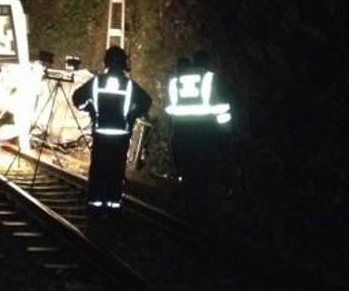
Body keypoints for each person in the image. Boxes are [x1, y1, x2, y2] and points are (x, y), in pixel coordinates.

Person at [72, 46, 151, 210]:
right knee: (116, 168)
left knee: (99, 167)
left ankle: (95, 202)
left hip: (101, 131)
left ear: (106, 61)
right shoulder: (129, 85)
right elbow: (146, 101)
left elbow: (77, 98)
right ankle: (113, 203)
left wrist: (91, 110)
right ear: (124, 63)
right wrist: (131, 115)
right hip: (121, 133)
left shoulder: (97, 82)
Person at [165, 49, 232, 212]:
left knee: (187, 169)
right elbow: (221, 107)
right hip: (203, 132)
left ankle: (188, 203)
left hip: (181, 131)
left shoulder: (176, 81)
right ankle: (200, 207)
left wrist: (172, 128)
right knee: (202, 169)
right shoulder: (210, 78)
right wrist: (226, 132)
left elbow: (169, 108)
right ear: (207, 62)